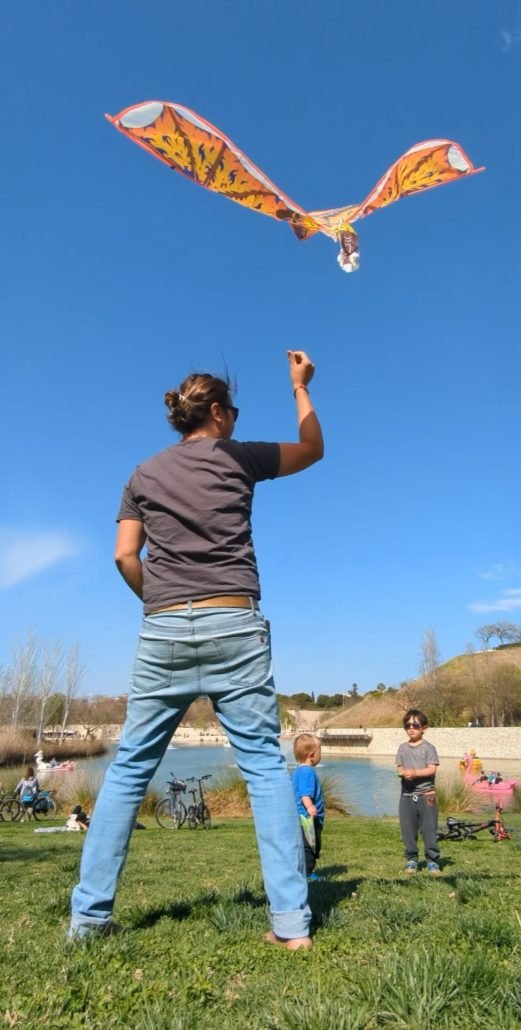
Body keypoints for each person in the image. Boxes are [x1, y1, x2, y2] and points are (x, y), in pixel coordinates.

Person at [69, 350, 323, 950]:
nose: (236, 417)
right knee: (262, 766)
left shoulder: (142, 474)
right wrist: (300, 387)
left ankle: (88, 922)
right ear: (215, 411)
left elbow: (123, 556)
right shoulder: (239, 457)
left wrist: (159, 604)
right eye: (233, 409)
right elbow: (312, 448)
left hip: (162, 628)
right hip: (234, 623)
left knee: (129, 769)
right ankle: (291, 926)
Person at [395, 709, 441, 876]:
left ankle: (432, 861)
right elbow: (399, 766)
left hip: (427, 796)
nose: (411, 728)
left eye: (416, 725)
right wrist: (401, 772)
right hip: (406, 796)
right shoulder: (402, 748)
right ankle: (412, 859)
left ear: (424, 728)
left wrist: (414, 773)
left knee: (429, 829)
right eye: (407, 725)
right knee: (408, 830)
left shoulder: (429, 748)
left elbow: (431, 769)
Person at [291, 734, 325, 881]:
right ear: (311, 755)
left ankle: (300, 870)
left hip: (300, 817)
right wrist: (310, 807)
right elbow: (304, 793)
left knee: (303, 845)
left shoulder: (298, 771)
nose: (320, 756)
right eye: (320, 752)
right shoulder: (308, 772)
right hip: (308, 819)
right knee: (310, 846)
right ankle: (308, 873)